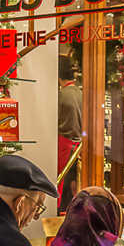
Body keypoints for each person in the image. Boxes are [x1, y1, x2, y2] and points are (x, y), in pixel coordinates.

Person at [57, 54, 82, 212]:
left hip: (64, 144)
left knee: (62, 187)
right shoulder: (79, 93)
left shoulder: (62, 95)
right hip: (77, 146)